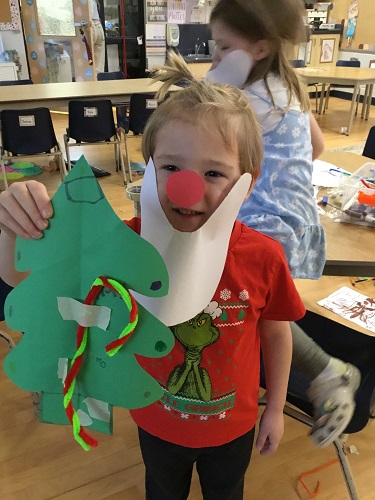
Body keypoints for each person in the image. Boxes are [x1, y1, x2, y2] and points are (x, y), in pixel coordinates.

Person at [0, 78, 306, 499]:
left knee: (227, 492)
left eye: (213, 172)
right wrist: (16, 227)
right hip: (155, 419)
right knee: (162, 491)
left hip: (233, 425)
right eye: (171, 167)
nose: (187, 188)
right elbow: (29, 283)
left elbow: (275, 332)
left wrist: (274, 409)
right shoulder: (124, 246)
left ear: (245, 185)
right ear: (149, 168)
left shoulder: (263, 257)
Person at [153, 0, 361, 449]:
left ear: (260, 47)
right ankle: (321, 369)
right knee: (261, 305)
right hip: (297, 220)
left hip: (259, 222)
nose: (215, 58)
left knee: (242, 300)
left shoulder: (241, 99)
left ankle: (323, 369)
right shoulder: (287, 88)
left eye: (225, 48)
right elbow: (318, 147)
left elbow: (199, 104)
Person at [90, 0, 105, 75]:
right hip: (98, 26)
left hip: (90, 25)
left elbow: (88, 14)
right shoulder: (94, 1)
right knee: (98, 67)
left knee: (87, 65)